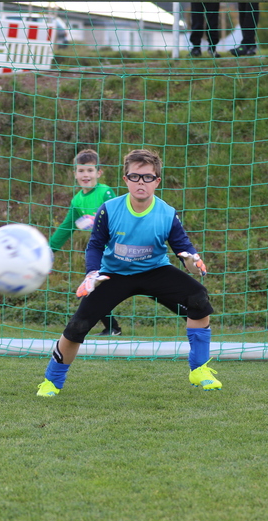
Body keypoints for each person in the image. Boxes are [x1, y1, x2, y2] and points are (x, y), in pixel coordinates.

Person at [36, 149, 220, 397]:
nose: (140, 182)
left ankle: (199, 369)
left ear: (157, 181)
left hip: (155, 271)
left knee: (198, 298)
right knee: (77, 326)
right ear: (125, 179)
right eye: (134, 177)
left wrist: (192, 260)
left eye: (147, 177)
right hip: (114, 274)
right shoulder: (109, 209)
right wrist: (92, 273)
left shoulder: (167, 213)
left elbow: (183, 248)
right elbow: (95, 245)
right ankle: (52, 381)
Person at [49, 149, 122, 336]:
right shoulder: (77, 200)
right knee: (93, 288)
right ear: (75, 174)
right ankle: (112, 328)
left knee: (143, 284)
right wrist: (48, 251)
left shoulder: (105, 192)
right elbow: (66, 227)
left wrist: (97, 219)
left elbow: (118, 216)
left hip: (118, 250)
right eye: (81, 171)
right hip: (98, 254)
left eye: (90, 170)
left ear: (99, 172)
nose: (85, 175)